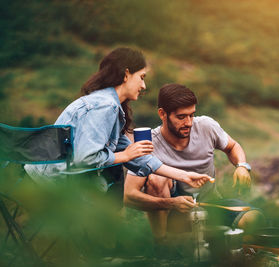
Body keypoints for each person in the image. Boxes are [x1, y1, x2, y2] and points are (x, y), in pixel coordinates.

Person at [24, 48, 211, 191]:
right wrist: (125, 155)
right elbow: (86, 158)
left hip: (58, 179)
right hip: (51, 184)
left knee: (107, 184)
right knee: (108, 186)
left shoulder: (110, 106)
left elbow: (139, 159)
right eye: (142, 77)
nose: (144, 85)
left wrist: (183, 175)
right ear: (127, 74)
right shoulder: (104, 106)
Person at [124, 83, 265, 241]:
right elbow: (129, 196)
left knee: (254, 219)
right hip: (172, 214)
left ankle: (210, 242)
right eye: (181, 117)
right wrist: (170, 203)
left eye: (191, 115)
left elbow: (233, 146)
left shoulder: (206, 126)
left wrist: (241, 166)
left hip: (210, 205)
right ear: (163, 114)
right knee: (157, 178)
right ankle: (163, 244)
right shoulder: (148, 142)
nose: (189, 123)